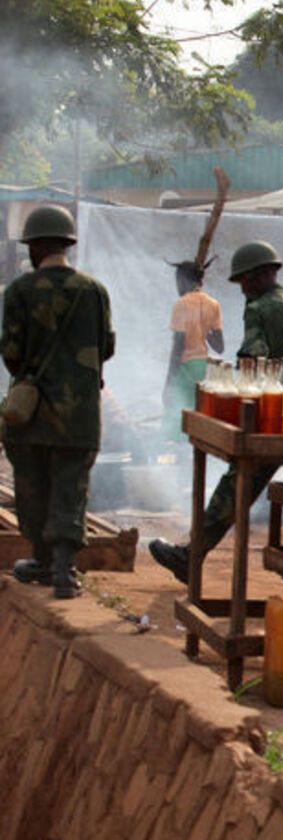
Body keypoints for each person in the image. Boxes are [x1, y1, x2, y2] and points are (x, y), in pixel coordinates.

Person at [148, 240, 283, 583]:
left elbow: (253, 358)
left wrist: (238, 387)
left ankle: (190, 556)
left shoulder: (259, 308)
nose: (242, 290)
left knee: (236, 485)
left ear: (257, 276)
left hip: (275, 416)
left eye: (243, 282)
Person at [1, 205, 115, 598]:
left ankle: (41, 559)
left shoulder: (20, 291)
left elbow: (11, 353)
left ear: (34, 247)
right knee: (71, 485)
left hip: (31, 413)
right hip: (80, 413)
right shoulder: (94, 291)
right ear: (67, 245)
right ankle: (64, 571)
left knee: (32, 485)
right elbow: (107, 347)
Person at [162, 260, 223, 442]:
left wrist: (169, 381)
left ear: (183, 280)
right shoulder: (213, 304)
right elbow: (220, 347)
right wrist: (203, 327)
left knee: (178, 418)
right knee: (200, 416)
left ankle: (179, 453)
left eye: (177, 281)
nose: (177, 286)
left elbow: (178, 345)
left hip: (186, 368)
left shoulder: (181, 304)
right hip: (204, 368)